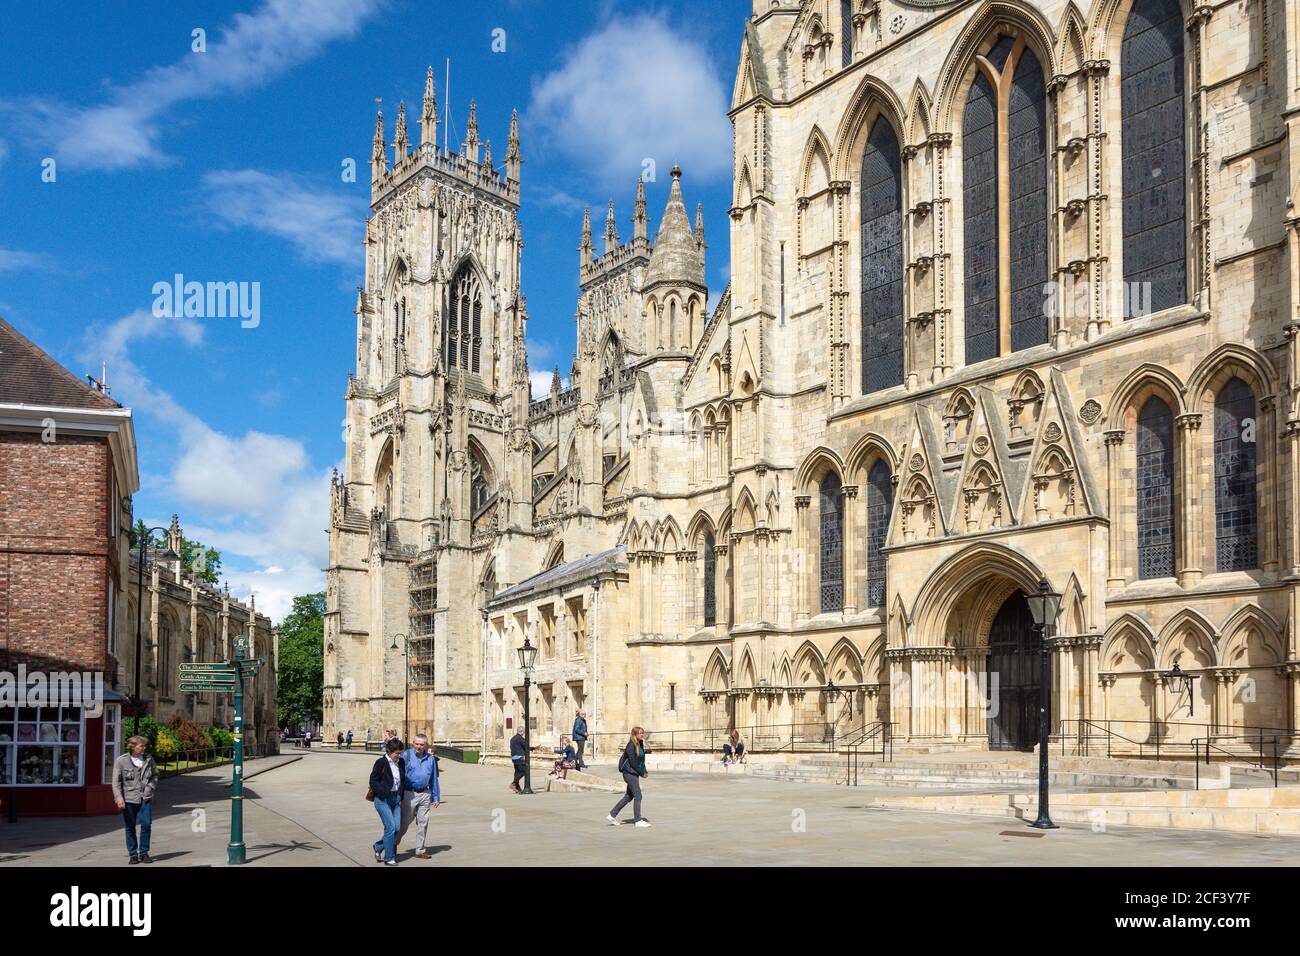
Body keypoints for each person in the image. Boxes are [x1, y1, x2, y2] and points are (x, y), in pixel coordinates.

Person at [112, 735, 158, 864]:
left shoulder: (149, 759)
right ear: (133, 746)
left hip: (145, 798)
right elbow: (116, 782)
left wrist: (151, 787)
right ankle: (133, 854)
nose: (144, 748)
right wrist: (118, 798)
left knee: (146, 825)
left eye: (144, 746)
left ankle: (144, 853)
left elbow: (155, 775)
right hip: (129, 799)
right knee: (130, 827)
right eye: (141, 746)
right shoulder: (121, 761)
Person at [396, 734, 441, 860]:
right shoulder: (406, 756)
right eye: (417, 744)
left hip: (425, 794)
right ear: (412, 743)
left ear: (426, 745)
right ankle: (394, 842)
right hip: (410, 794)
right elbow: (398, 774)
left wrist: (436, 797)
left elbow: (434, 780)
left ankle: (420, 850)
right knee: (404, 823)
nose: (419, 747)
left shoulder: (430, 759)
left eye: (422, 744)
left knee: (423, 823)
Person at [369, 738, 406, 865]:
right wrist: (383, 792)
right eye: (397, 753)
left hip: (395, 800)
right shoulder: (381, 762)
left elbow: (402, 780)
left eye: (401, 753)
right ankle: (389, 858)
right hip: (383, 800)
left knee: (397, 829)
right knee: (390, 828)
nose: (399, 756)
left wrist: (400, 796)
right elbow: (373, 781)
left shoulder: (400, 762)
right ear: (389, 751)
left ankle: (378, 847)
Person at [606, 726, 650, 828]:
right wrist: (641, 773)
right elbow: (633, 762)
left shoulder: (640, 744)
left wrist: (644, 770)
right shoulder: (631, 745)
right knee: (638, 796)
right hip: (629, 773)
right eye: (640, 733)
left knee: (629, 796)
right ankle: (638, 821)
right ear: (635, 734)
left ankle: (612, 815)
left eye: (642, 733)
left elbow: (641, 760)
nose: (642, 735)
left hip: (634, 773)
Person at [509, 726, 529, 793]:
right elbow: (526, 746)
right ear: (521, 731)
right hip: (519, 757)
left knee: (517, 772)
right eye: (523, 731)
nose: (523, 733)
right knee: (524, 771)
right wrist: (534, 748)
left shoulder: (512, 738)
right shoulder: (520, 738)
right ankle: (513, 783)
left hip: (513, 758)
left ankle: (517, 787)